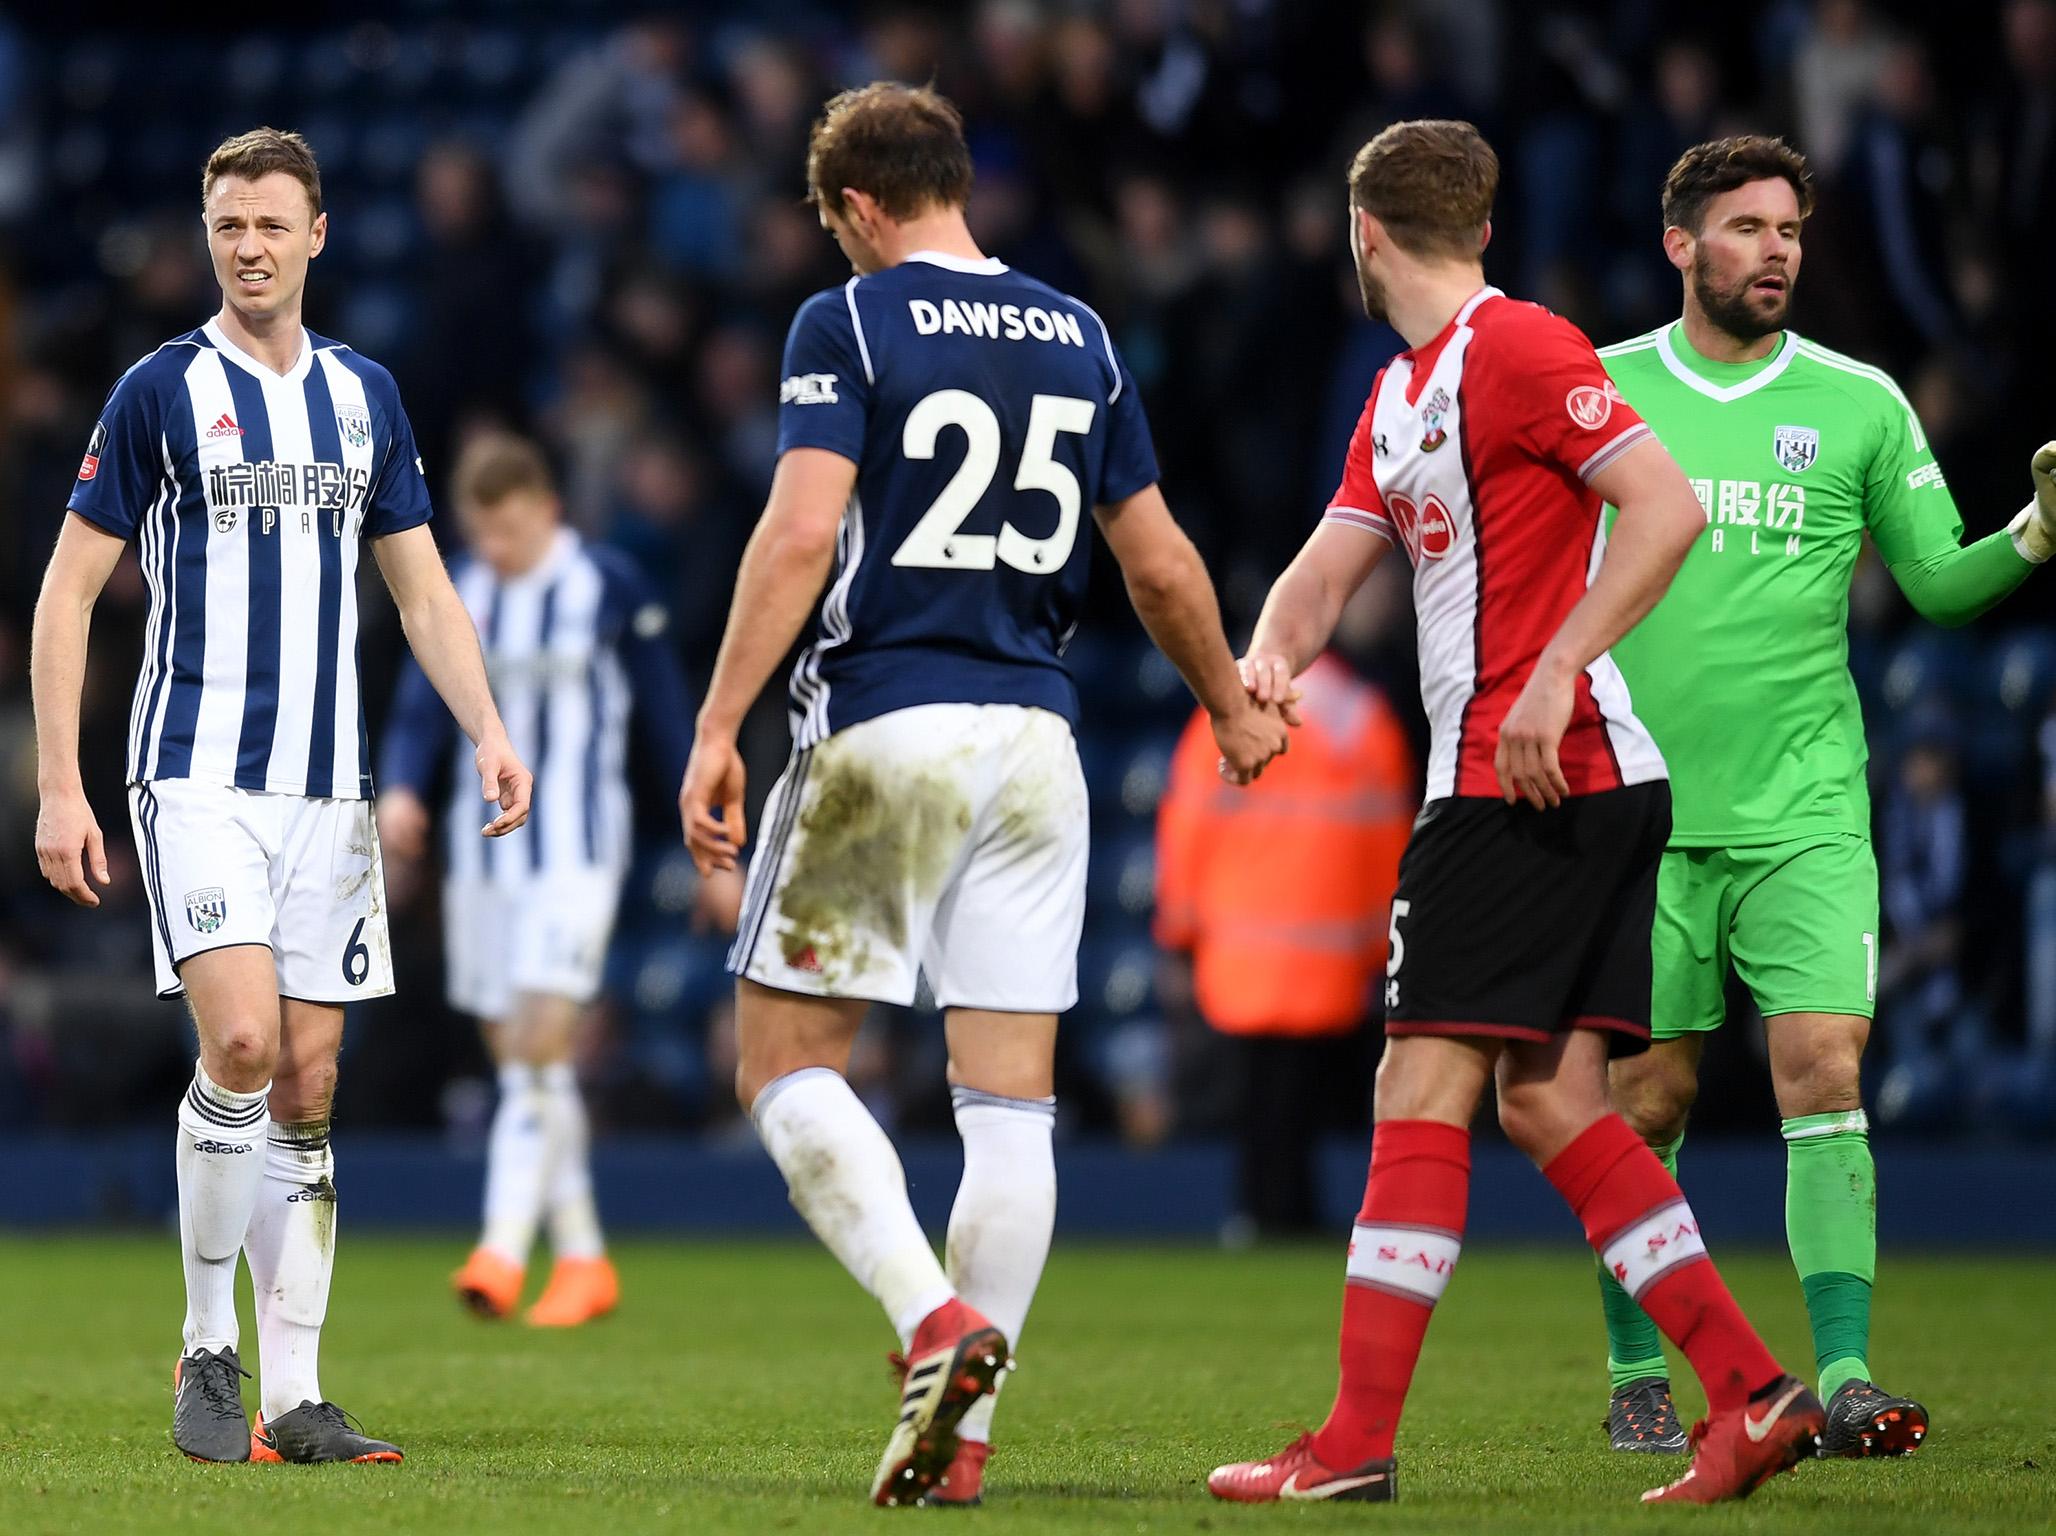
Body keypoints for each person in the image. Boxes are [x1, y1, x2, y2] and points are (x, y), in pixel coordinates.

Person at [676, 82, 1288, 1509]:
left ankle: (931, 1325)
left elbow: (803, 525)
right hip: (1040, 742)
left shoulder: (851, 321)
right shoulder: (1079, 334)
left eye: (838, 226)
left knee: (781, 1062)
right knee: (1010, 1112)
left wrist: (721, 721)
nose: (837, 250)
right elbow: (1155, 562)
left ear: (867, 206)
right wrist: (1226, 705)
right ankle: (972, 1443)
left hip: (892, 728)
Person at [1208, 118, 1820, 1508]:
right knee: (1549, 1100)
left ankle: (1353, 1445)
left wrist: (1549, 672)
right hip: (1557, 774)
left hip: (1527, 770)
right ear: (1475, 223)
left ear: (1365, 235)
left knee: (1416, 1089)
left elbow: (1663, 510)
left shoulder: (1524, 349)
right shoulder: (1402, 394)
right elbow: (1321, 575)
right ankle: (1753, 1394)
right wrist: (1264, 668)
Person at [29, 128, 531, 1464]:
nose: (248, 247)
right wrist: (61, 785)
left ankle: (298, 1395)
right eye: (227, 225)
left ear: (316, 236)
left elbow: (422, 587)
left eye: (271, 225)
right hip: (193, 773)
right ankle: (207, 1343)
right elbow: (69, 589)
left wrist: (487, 727)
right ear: (210, 235)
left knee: (309, 1081)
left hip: (330, 790)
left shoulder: (366, 396)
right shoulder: (156, 392)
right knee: (243, 1046)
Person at [1590, 134, 2056, 1460]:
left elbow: (1936, 585)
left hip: (1805, 811)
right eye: (1744, 227)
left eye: (1788, 227)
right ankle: (1638, 1371)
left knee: (1823, 1066)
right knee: (1650, 1101)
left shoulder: (1859, 405)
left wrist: (2034, 534)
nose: (1775, 249)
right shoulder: (1602, 392)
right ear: (1682, 245)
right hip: (1642, 812)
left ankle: (1846, 1375)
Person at [377, 433, 725, 1327]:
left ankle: (499, 1249)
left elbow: (664, 713)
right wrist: (406, 787)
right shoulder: (463, 590)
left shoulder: (604, 585)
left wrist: (707, 835)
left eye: (509, 529)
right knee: (528, 1070)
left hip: (576, 852)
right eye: (481, 532)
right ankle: (582, 1259)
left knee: (537, 1044)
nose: (495, 549)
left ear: (548, 509)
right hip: (482, 857)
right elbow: (424, 704)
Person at [1155, 647, 1415, 1237]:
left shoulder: (1220, 716)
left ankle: (1260, 1212)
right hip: (1330, 950)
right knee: (1302, 1094)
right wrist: (1382, 945)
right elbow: (1389, 843)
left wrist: (1180, 930)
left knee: (1258, 1096)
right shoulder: (1364, 717)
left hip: (1241, 947)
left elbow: (1187, 828)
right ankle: (1292, 1211)